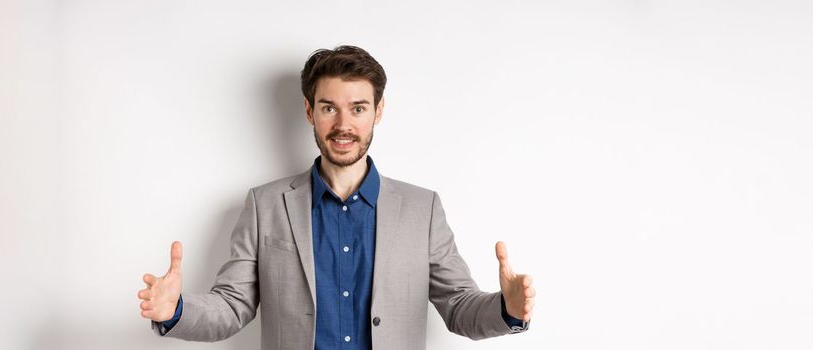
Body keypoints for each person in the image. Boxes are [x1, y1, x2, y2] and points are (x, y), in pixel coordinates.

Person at [136, 45, 536, 349]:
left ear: (378, 112)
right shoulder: (265, 205)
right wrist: (177, 311)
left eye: (358, 108)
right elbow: (232, 305)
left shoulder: (422, 208)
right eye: (329, 108)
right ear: (309, 111)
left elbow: (460, 307)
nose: (343, 125)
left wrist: (506, 308)